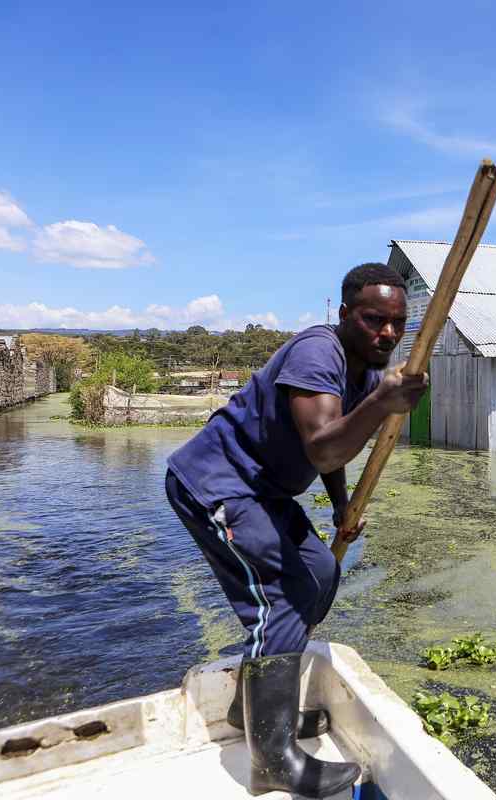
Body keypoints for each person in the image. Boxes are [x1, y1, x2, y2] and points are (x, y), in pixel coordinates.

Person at [165, 263, 427, 798]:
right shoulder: (318, 351)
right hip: (216, 484)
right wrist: (382, 402)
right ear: (345, 313)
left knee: (320, 571)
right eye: (375, 319)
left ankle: (256, 711)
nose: (388, 334)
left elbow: (336, 451)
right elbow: (324, 445)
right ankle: (273, 758)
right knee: (281, 598)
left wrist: (341, 505)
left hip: (264, 492)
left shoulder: (366, 376)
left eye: (398, 323)